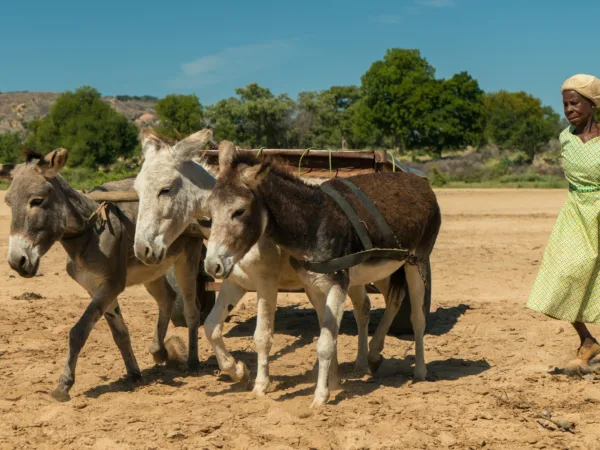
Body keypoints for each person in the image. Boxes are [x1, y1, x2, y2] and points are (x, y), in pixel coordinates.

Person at [527, 74, 600, 369]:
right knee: (564, 277)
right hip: (575, 214)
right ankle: (587, 340)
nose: (569, 109)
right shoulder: (564, 138)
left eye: (575, 103)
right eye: (565, 104)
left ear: (592, 104)